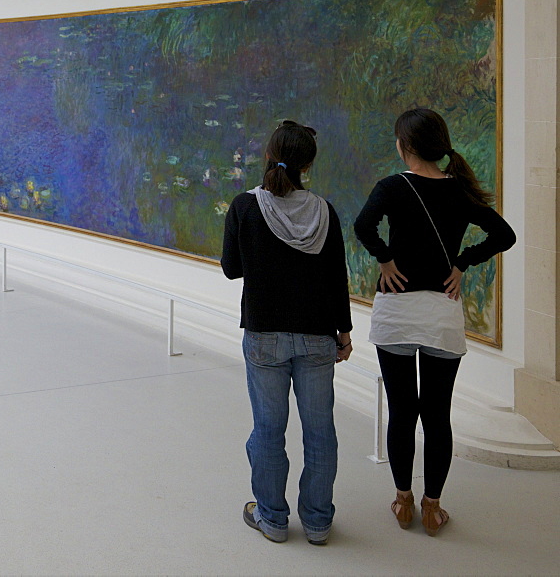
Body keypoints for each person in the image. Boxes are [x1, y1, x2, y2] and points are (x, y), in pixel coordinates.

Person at [354, 108, 515, 537]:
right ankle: (432, 508)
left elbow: (362, 226)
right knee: (437, 415)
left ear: (404, 146)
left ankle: (402, 501)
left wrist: (385, 259)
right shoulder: (460, 193)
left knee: (401, 411)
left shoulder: (392, 187)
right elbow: (504, 236)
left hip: (396, 313)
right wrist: (462, 262)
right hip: (442, 314)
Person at [221, 120, 353, 546]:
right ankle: (317, 523)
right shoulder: (325, 212)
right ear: (307, 164)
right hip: (317, 336)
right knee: (320, 433)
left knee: (267, 429)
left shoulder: (244, 206)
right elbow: (338, 279)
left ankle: (272, 518)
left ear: (267, 156)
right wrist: (344, 334)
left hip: (264, 336)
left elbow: (231, 269)